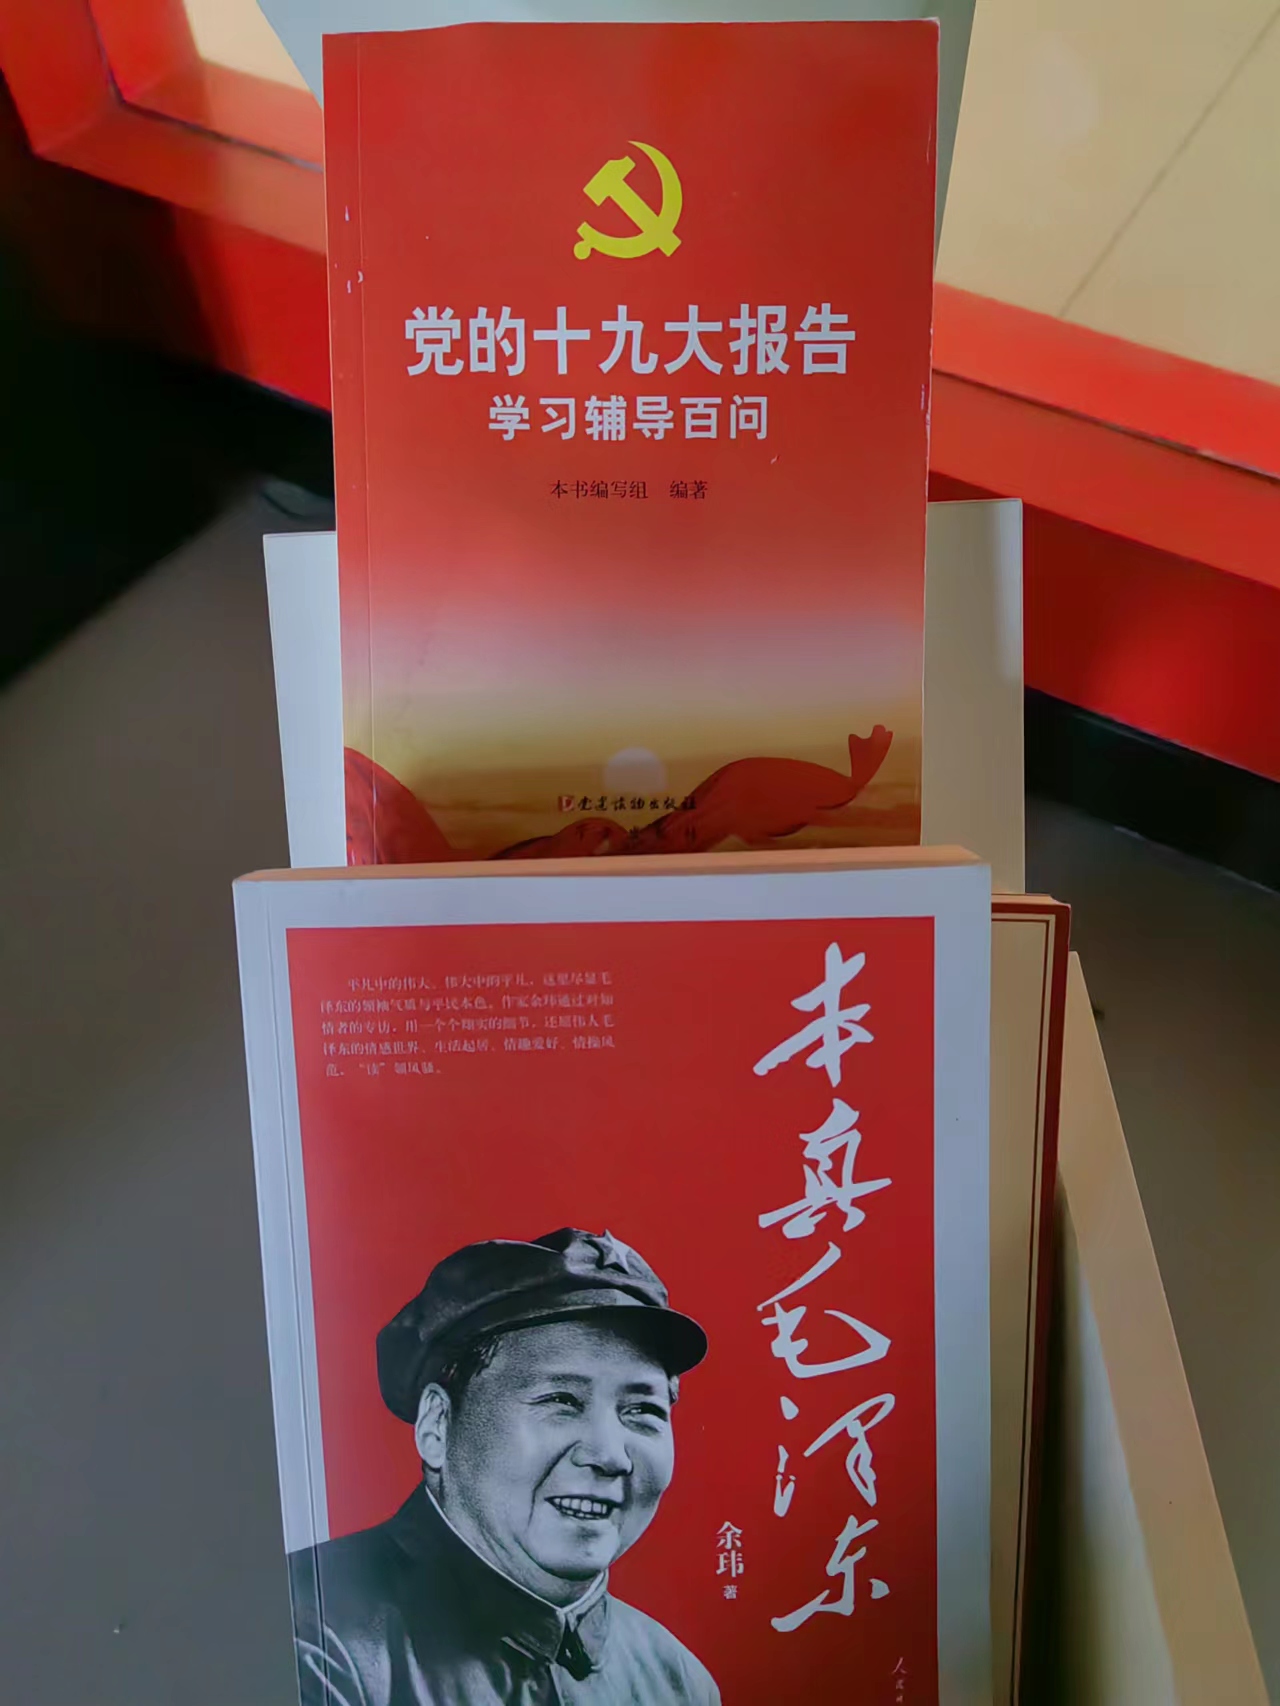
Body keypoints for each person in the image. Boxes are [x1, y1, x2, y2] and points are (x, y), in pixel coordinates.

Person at [289, 1227, 719, 1705]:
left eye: (642, 1411)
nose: (611, 1456)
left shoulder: (677, 1681)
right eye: (561, 1400)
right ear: (437, 1425)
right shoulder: (308, 1638)